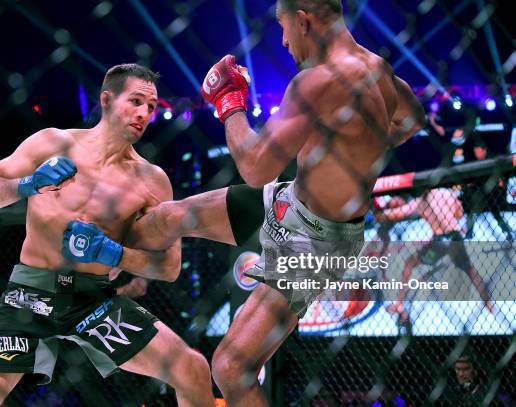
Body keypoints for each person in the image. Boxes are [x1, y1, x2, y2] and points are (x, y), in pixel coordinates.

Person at [62, 1, 425, 405]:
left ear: (303, 19)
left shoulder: (317, 82)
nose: (284, 42)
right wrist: (359, 150)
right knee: (165, 218)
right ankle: (86, 271)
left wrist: (230, 103)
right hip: (291, 200)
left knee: (231, 368)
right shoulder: (379, 69)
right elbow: (411, 122)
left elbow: (254, 168)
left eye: (284, 29)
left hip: (316, 242)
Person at [0, 64, 214, 407]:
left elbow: (169, 267)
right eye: (136, 101)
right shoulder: (53, 142)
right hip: (29, 294)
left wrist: (112, 253)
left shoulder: (151, 181)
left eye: (152, 107)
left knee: (193, 369)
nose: (144, 113)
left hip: (92, 301)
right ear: (107, 100)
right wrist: (27, 184)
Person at [378, 188, 494, 323]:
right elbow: (459, 213)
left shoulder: (421, 200)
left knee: (410, 263)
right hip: (454, 238)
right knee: (470, 270)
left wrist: (381, 213)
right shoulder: (447, 193)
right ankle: (488, 303)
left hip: (439, 243)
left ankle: (399, 303)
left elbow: (397, 214)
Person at [463, 142, 513, 241]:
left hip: (491, 193)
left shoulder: (492, 161)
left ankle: (507, 231)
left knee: (496, 213)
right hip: (477, 193)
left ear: (484, 150)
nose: (477, 154)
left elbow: (501, 176)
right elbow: (471, 180)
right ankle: (469, 233)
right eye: (475, 152)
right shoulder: (474, 163)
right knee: (471, 212)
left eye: (478, 151)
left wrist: (501, 180)